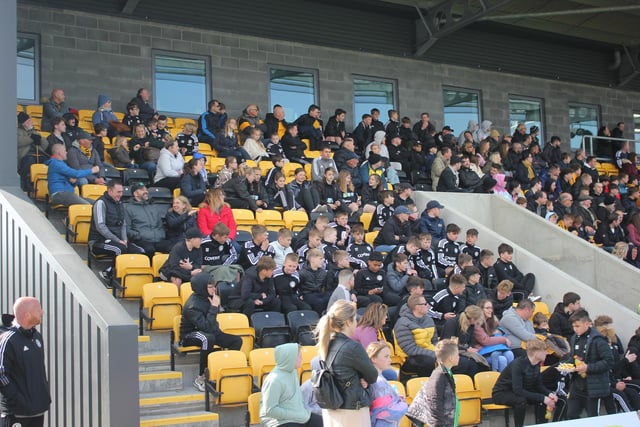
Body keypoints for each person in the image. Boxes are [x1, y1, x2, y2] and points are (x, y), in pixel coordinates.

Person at [315, 300, 378, 426]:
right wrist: (363, 378)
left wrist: (360, 378)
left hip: (332, 409)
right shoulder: (352, 347)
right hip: (352, 409)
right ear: (348, 322)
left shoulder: (327, 343)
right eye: (355, 320)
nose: (356, 323)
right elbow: (372, 375)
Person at [180, 272, 242, 392]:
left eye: (214, 286)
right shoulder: (192, 306)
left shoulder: (211, 298)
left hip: (209, 331)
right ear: (201, 287)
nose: (214, 289)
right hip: (190, 334)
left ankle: (224, 371)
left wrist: (215, 306)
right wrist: (214, 307)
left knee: (236, 341)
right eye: (210, 287)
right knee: (207, 338)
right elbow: (206, 327)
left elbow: (211, 325)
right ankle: (201, 378)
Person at [0, 297, 51, 427]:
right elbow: (1, 374)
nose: (42, 312)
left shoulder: (36, 336)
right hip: (16, 414)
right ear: (27, 315)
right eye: (38, 310)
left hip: (37, 411)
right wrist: (17, 399)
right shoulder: (8, 339)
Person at [492, 339, 558, 427]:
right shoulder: (518, 365)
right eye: (544, 351)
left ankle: (542, 424)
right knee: (521, 401)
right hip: (502, 393)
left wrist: (549, 394)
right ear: (536, 353)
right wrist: (542, 397)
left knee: (542, 400)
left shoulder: (537, 364)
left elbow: (538, 385)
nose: (547, 353)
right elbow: (518, 390)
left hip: (520, 391)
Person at [89, 180, 145, 280]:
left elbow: (123, 224)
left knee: (140, 251)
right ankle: (108, 272)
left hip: (118, 240)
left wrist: (124, 240)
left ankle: (129, 278)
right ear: (110, 191)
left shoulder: (119, 203)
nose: (121, 194)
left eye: (122, 192)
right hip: (99, 241)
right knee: (120, 249)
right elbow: (100, 227)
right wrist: (118, 241)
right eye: (118, 192)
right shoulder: (100, 203)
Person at [565, 309, 615, 419]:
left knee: (593, 418)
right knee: (570, 415)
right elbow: (573, 358)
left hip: (593, 387)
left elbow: (609, 361)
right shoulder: (574, 338)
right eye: (573, 326)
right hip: (577, 386)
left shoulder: (598, 340)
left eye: (577, 326)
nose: (575, 329)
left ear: (587, 324)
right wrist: (567, 366)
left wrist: (588, 367)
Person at [260, 343, 323, 427]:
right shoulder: (274, 380)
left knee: (324, 423)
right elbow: (270, 411)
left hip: (298, 416)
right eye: (299, 356)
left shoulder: (292, 372)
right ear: (289, 358)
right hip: (276, 421)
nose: (302, 359)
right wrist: (295, 415)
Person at [406, 339, 459, 427]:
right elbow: (434, 400)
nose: (459, 357)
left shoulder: (446, 372)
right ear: (450, 357)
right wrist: (438, 424)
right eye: (457, 354)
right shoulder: (438, 376)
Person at [394, 294, 438, 380]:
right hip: (407, 358)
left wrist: (442, 352)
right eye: (425, 304)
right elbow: (410, 350)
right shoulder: (403, 323)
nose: (428, 306)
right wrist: (434, 354)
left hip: (430, 353)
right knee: (428, 361)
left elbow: (435, 341)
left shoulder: (429, 320)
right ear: (417, 307)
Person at [366, 342, 408, 427]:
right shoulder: (379, 382)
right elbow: (386, 411)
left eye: (389, 356)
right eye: (386, 356)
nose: (390, 360)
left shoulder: (378, 378)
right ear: (374, 358)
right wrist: (403, 404)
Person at [124, 183, 171, 256]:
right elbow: (127, 229)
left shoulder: (153, 207)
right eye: (142, 190)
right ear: (135, 193)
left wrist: (161, 235)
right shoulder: (128, 209)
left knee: (173, 247)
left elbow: (160, 225)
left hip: (158, 240)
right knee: (149, 250)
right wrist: (140, 236)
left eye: (146, 189)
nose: (146, 192)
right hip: (142, 240)